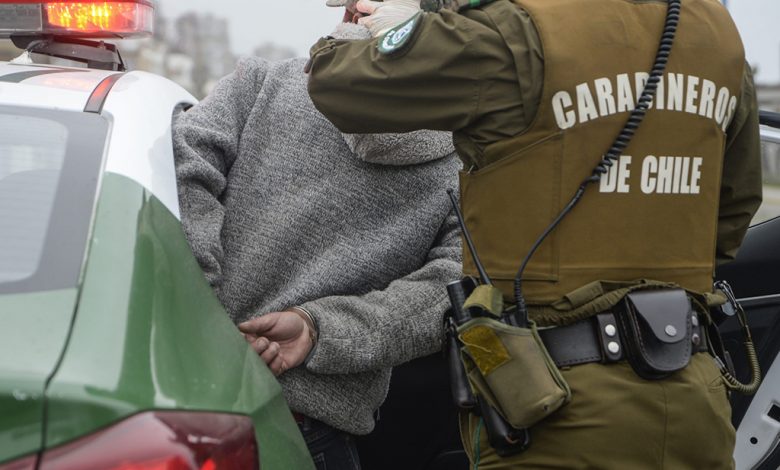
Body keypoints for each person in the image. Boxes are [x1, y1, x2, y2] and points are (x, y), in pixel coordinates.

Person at [306, 0, 763, 467]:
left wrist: (386, 25)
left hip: (556, 407)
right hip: (696, 399)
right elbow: (730, 216)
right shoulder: (716, 34)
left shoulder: (517, 30)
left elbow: (336, 82)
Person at [172, 18, 463, 470]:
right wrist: (316, 330)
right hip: (308, 432)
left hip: (174, 397)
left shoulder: (260, 84)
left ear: (350, 16)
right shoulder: (468, 162)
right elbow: (451, 293)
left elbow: (178, 174)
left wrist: (202, 315)